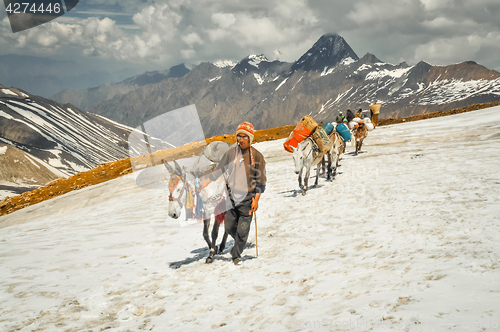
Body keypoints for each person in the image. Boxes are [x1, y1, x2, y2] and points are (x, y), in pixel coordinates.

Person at [199, 122, 266, 265]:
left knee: (243, 230)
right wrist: (206, 182)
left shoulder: (257, 157)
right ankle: (239, 243)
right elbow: (219, 170)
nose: (240, 139)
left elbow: (261, 182)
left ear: (250, 138)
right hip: (231, 198)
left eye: (244, 137)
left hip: (248, 199)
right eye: (238, 136)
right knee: (229, 227)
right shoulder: (230, 154)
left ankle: (236, 254)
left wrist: (257, 199)